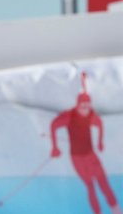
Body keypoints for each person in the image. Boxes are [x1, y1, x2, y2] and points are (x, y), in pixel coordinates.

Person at [50, 85, 121, 214]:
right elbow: (54, 125)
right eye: (83, 106)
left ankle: (116, 211)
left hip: (90, 155)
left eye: (88, 106)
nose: (85, 109)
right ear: (77, 105)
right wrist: (55, 147)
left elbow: (99, 124)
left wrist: (100, 142)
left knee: (103, 183)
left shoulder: (91, 116)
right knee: (91, 187)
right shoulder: (69, 117)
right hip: (77, 159)